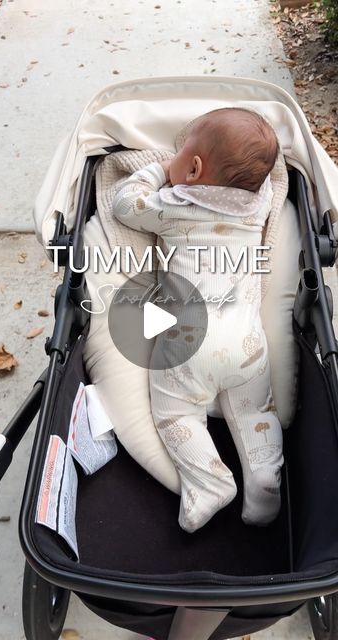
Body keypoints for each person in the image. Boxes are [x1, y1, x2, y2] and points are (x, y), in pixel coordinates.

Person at [112, 108, 283, 533]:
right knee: (256, 411)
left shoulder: (175, 203)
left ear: (192, 167)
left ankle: (209, 482)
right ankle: (263, 475)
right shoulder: (257, 204)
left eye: (178, 154)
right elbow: (269, 177)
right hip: (247, 341)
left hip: (190, 341)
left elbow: (124, 207)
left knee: (175, 414)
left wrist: (153, 173)